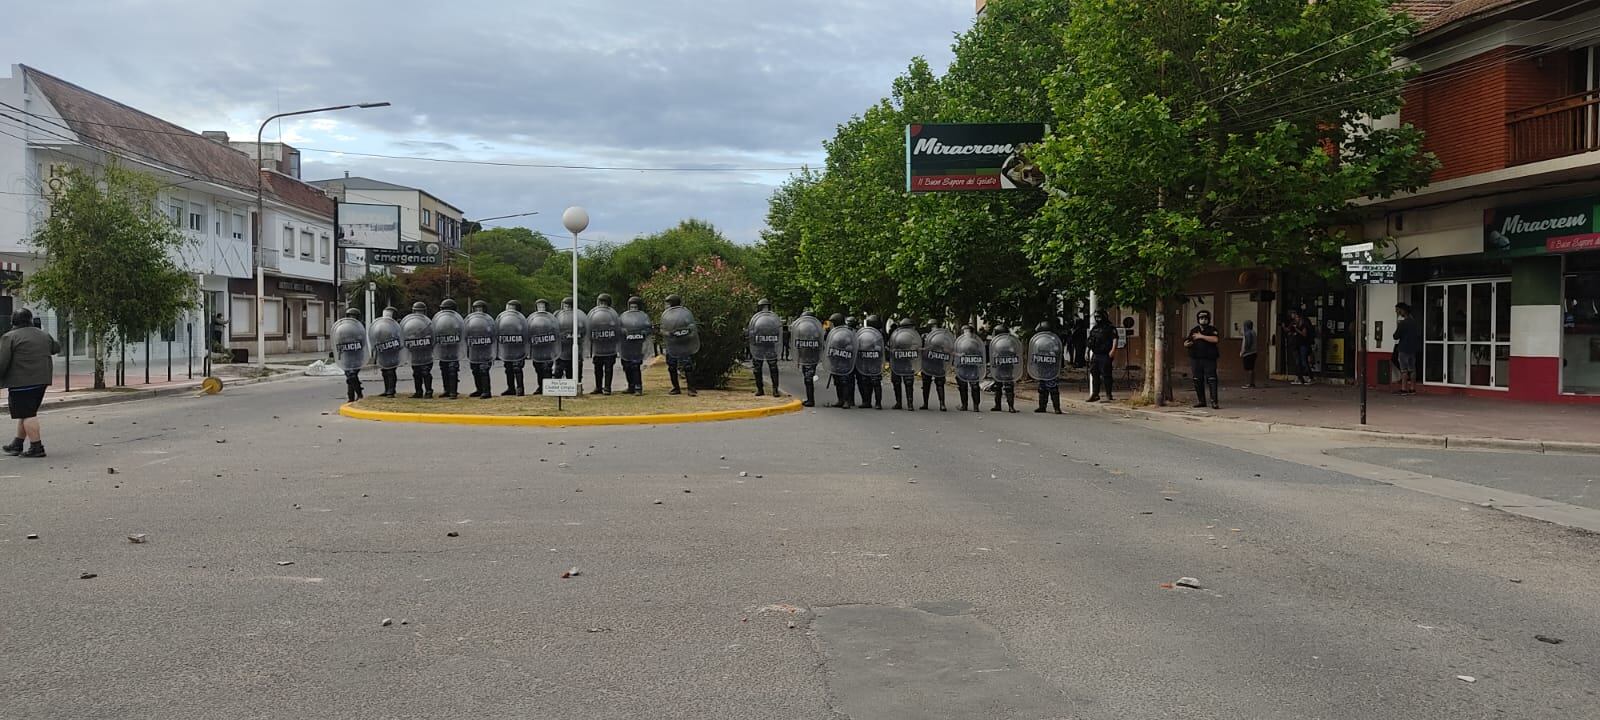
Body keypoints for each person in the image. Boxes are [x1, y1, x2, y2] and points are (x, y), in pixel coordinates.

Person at [0, 309, 60, 458]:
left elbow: (2, 361)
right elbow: (56, 348)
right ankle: (17, 443)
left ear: (13, 321)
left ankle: (36, 447)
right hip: (42, 380)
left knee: (27, 413)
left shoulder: (9, 337)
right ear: (30, 319)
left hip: (21, 381)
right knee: (26, 412)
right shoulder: (43, 334)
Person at [1185, 309, 1221, 409]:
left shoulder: (1212, 329)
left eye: (1205, 318)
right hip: (1196, 359)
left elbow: (1215, 339)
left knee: (1211, 379)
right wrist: (1187, 344)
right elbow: (1187, 341)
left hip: (1209, 359)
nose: (1203, 320)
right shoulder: (1194, 330)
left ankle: (1214, 402)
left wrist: (1201, 336)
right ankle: (1201, 401)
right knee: (1197, 379)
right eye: (1201, 318)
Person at [1086, 310, 1116, 402]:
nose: (1098, 319)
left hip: (1105, 354)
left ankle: (1108, 394)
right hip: (1095, 354)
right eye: (1096, 317)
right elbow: (1090, 341)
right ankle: (1095, 394)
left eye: (1099, 317)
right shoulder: (1095, 328)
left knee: (1106, 375)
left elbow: (1115, 339)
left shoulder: (1110, 328)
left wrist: (1113, 350)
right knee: (1094, 374)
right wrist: (1087, 351)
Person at [1393, 302, 1421, 395]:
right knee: (1412, 369)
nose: (1397, 312)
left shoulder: (1403, 323)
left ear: (1403, 310)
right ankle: (1413, 388)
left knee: (1404, 369)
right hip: (1413, 348)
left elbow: (1396, 336)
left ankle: (1404, 389)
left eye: (1398, 310)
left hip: (1403, 348)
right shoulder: (1414, 322)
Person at [1287, 309, 1313, 385]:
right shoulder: (1294, 324)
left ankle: (1310, 377)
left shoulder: (1303, 324)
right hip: (1298, 344)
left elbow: (1304, 334)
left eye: (1296, 317)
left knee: (1304, 361)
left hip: (1303, 344)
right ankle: (1300, 377)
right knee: (1299, 361)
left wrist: (1296, 329)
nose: (1295, 318)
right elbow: (1288, 330)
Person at [1240, 319, 1259, 389]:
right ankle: (1252, 383)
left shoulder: (1247, 333)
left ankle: (1249, 383)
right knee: (1252, 368)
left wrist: (1243, 352)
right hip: (1254, 352)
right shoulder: (1253, 332)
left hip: (1248, 353)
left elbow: (1248, 343)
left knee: (1248, 369)